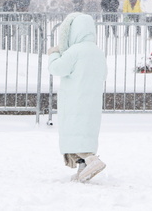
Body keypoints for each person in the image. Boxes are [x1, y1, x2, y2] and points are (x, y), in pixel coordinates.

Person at [47, 12, 108, 182]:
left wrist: (53, 53)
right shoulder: (98, 52)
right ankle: (83, 168)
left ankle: (91, 160)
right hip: (92, 101)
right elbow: (104, 74)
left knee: (75, 133)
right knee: (85, 134)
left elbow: (57, 69)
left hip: (75, 99)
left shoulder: (75, 51)